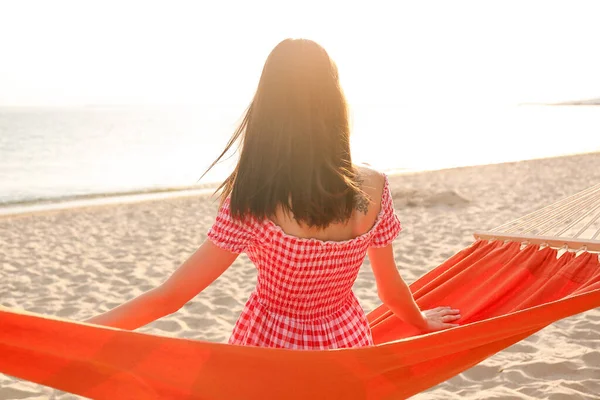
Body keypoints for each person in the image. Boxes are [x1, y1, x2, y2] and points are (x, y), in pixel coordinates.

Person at [86, 38, 460, 349]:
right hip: (346, 345)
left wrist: (80, 332)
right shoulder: (374, 186)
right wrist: (421, 321)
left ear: (268, 107)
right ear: (333, 100)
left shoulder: (255, 200)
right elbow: (389, 287)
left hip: (268, 350)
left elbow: (169, 298)